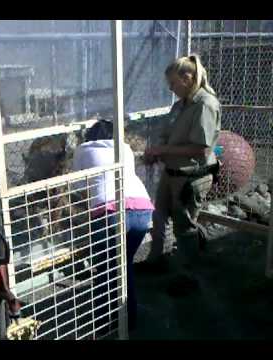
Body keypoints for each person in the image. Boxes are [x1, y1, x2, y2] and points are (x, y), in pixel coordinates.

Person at [144, 54, 221, 296]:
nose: (170, 88)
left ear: (188, 78)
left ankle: (190, 277)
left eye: (173, 83)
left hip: (191, 175)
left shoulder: (205, 104)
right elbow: (169, 132)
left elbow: (202, 148)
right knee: (159, 216)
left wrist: (163, 149)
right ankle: (157, 259)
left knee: (184, 228)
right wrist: (156, 149)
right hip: (172, 171)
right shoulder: (182, 104)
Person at [72, 119, 154, 334]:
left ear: (90, 136)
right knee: (123, 266)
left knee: (105, 270)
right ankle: (128, 320)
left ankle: (105, 325)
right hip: (142, 209)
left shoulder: (82, 149)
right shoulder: (124, 148)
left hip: (110, 212)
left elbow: (79, 184)